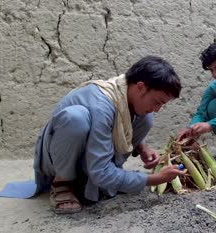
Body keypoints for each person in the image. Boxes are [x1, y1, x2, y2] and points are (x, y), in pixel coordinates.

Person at [33, 56, 186, 214]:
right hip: (56, 160)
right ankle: (62, 182)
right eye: (156, 102)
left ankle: (107, 176)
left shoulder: (124, 94)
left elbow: (122, 123)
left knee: (146, 118)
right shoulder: (103, 105)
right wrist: (155, 179)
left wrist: (142, 147)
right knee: (76, 119)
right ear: (140, 87)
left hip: (92, 159)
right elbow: (101, 171)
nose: (157, 109)